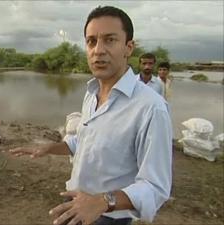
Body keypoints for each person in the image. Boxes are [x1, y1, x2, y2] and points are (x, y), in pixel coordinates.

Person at [10, 6, 172, 225]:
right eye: (91, 41)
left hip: (109, 217)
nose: (98, 50)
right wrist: (50, 148)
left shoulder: (151, 108)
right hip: (77, 203)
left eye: (110, 40)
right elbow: (86, 140)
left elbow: (156, 187)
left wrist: (104, 201)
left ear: (128, 47)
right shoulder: (92, 93)